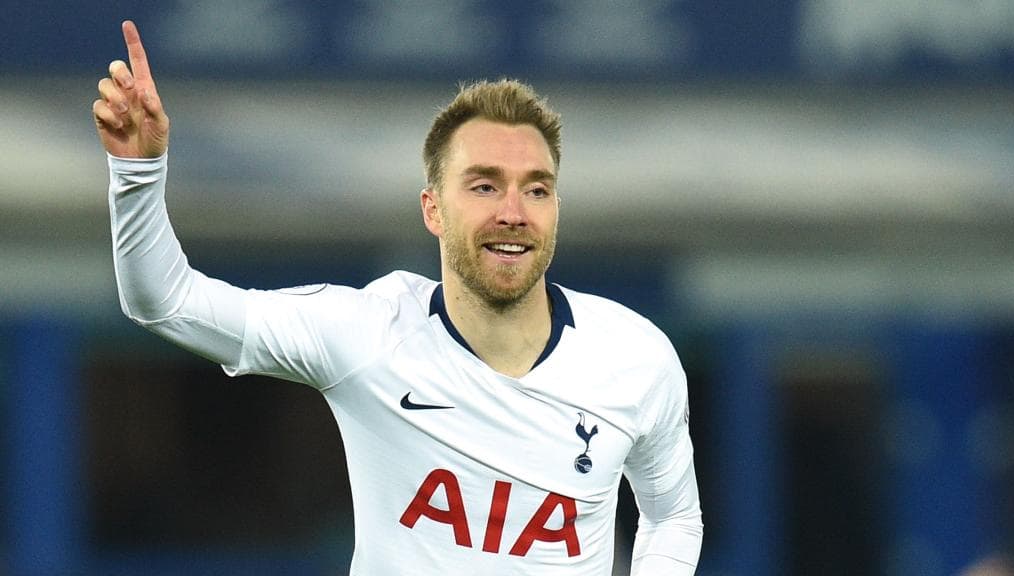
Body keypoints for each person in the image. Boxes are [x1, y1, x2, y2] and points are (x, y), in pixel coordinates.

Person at [92, 20, 702, 575]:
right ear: (433, 209)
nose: (514, 213)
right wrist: (138, 175)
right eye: (485, 187)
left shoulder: (636, 358)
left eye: (537, 190)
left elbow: (674, 517)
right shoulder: (368, 333)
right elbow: (166, 301)